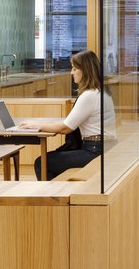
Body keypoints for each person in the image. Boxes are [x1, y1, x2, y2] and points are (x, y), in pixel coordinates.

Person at [20, 49, 115, 180]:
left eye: (74, 69)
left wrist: (36, 125)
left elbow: (66, 128)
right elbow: (69, 123)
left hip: (94, 150)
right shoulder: (102, 92)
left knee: (42, 163)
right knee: (50, 160)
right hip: (105, 146)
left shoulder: (89, 96)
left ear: (85, 70)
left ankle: (52, 198)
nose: (72, 73)